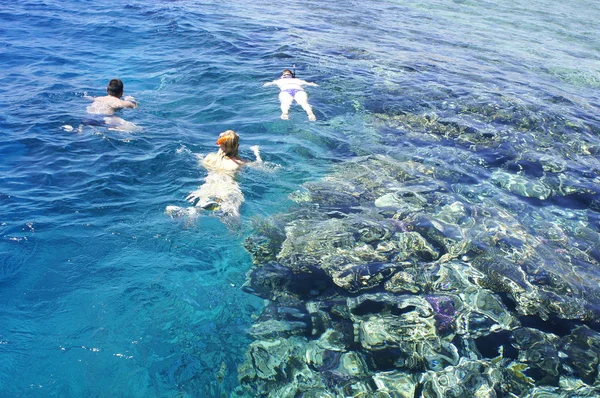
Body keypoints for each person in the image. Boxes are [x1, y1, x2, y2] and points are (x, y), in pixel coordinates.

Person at [165, 130, 262, 223]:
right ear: (238, 146)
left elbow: (200, 164)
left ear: (220, 144)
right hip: (228, 188)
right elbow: (259, 165)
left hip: (209, 185)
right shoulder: (241, 163)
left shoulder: (210, 158)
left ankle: (190, 212)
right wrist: (256, 153)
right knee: (233, 210)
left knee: (200, 206)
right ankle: (233, 228)